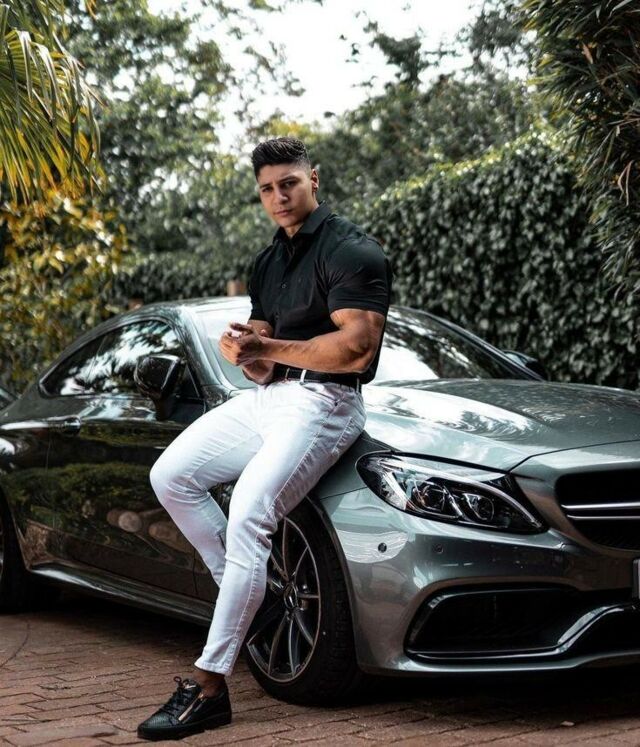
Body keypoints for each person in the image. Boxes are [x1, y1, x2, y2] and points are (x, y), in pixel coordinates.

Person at [136, 137, 392, 741]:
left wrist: (266, 346)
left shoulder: (352, 250)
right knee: (171, 476)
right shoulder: (268, 262)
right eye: (267, 190)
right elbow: (262, 360)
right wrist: (244, 352)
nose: (279, 197)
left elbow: (356, 350)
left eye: (289, 184)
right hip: (269, 399)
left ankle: (208, 684)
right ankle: (261, 596)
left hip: (327, 403)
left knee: (250, 511)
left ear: (313, 179)